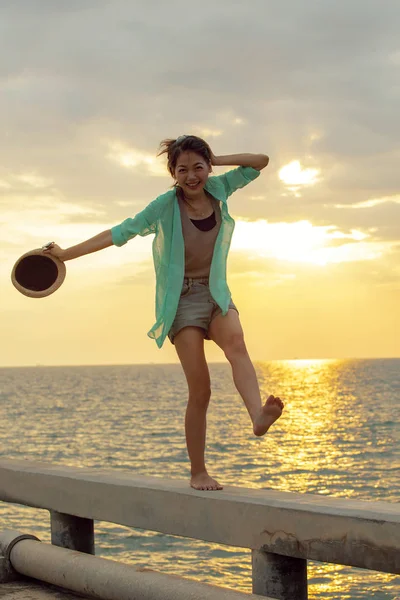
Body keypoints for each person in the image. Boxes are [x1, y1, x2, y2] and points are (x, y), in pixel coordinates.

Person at [44, 135, 284, 491]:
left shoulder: (219, 188)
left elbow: (260, 161)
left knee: (236, 343)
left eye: (198, 167)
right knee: (200, 388)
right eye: (182, 169)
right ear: (172, 173)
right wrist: (65, 255)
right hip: (182, 299)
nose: (191, 176)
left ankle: (257, 416)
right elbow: (116, 233)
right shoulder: (164, 206)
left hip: (215, 292)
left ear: (209, 168)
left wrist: (217, 157)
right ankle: (198, 471)